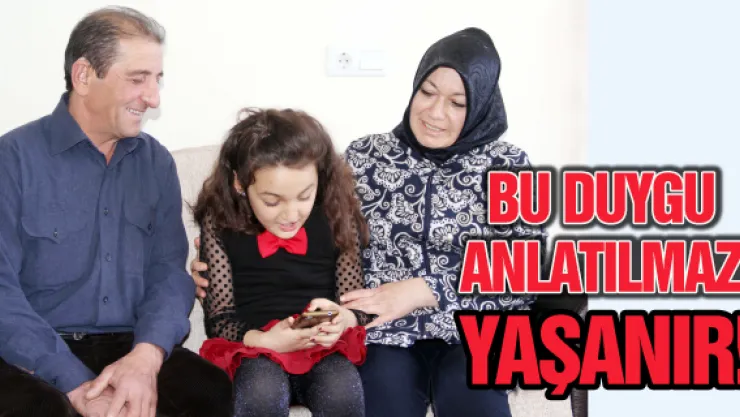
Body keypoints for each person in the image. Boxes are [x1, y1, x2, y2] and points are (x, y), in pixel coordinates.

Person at [191, 28, 584, 417]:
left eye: (457, 103)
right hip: (384, 333)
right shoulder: (365, 157)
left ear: (481, 104)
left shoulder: (509, 166)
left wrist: (426, 289)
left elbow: (527, 270)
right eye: (427, 92)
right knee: (379, 399)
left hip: (473, 332)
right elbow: (299, 219)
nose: (435, 112)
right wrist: (217, 260)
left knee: (475, 403)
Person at [0, 6, 231, 417]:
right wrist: (75, 384)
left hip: (129, 344)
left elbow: (168, 274)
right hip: (36, 348)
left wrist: (146, 357)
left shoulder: (155, 163)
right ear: (84, 76)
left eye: (157, 79)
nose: (153, 97)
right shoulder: (14, 159)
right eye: (138, 79)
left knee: (207, 390)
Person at [191, 107, 373, 417]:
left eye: (304, 196)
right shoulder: (220, 221)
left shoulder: (336, 213)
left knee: (342, 390)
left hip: (321, 349)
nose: (291, 214)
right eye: (272, 201)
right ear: (239, 184)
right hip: (255, 347)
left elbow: (356, 305)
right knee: (261, 392)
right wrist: (265, 340)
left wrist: (341, 317)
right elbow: (219, 319)